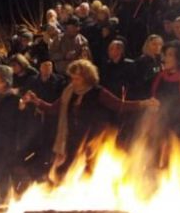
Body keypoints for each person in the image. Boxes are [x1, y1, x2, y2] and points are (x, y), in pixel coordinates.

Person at [23, 59, 158, 173]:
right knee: (65, 172)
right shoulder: (69, 92)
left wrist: (143, 103)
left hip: (94, 140)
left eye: (77, 78)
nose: (74, 81)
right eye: (72, 78)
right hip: (72, 140)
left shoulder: (97, 92)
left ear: (87, 78)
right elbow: (53, 109)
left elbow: (119, 105)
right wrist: (36, 101)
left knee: (90, 172)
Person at [150, 43, 180, 141]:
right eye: (166, 55)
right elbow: (153, 96)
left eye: (170, 55)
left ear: (179, 59)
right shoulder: (161, 76)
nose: (165, 59)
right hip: (162, 120)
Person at [135, 34, 164, 99]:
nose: (157, 47)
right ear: (147, 45)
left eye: (160, 44)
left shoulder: (161, 61)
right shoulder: (142, 61)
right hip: (145, 96)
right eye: (154, 44)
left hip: (158, 95)